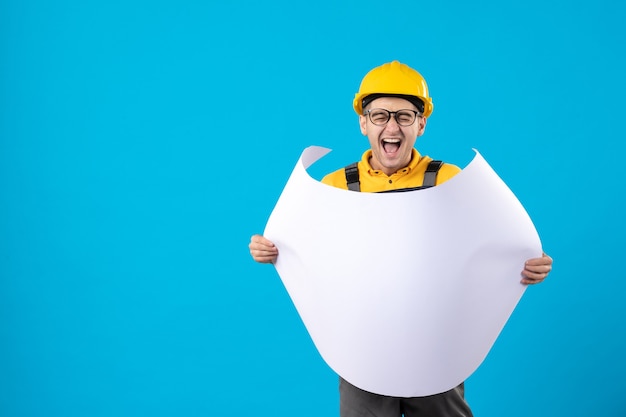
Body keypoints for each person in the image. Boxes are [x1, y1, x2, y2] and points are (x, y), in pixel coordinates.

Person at [248, 60, 553, 417]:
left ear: (421, 124)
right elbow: (307, 249)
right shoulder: (334, 187)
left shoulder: (451, 182)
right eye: (379, 116)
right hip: (362, 351)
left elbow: (490, 244)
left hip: (436, 348)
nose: (391, 126)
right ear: (363, 123)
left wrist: (529, 262)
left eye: (404, 116)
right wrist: (270, 249)